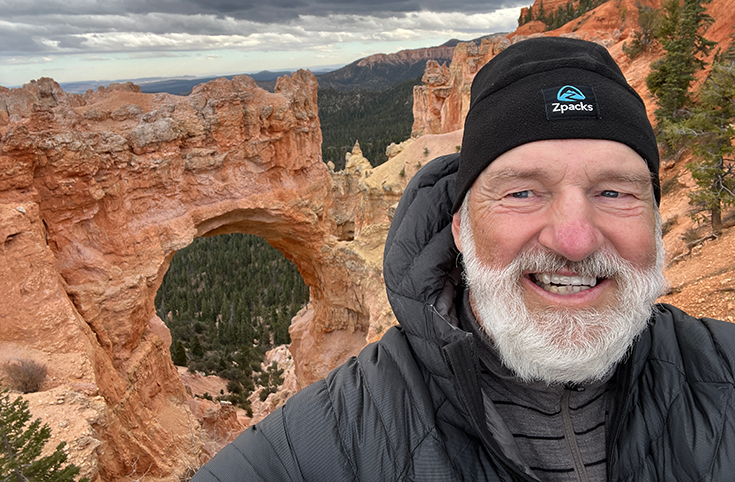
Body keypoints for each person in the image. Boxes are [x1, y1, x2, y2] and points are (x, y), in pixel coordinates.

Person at [192, 37, 735, 481]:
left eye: (615, 192)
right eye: (522, 192)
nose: (575, 240)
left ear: (656, 220)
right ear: (459, 225)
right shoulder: (325, 442)